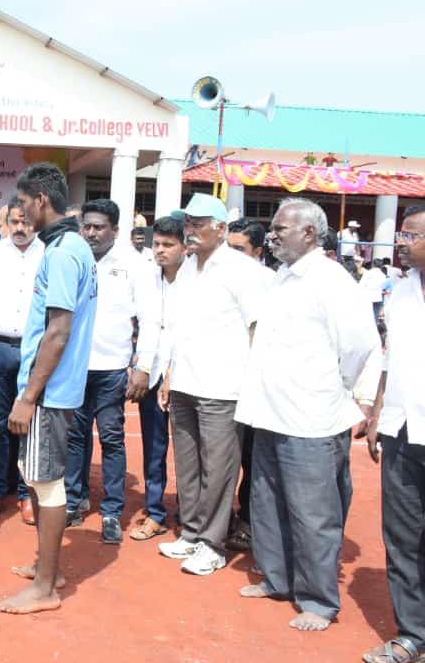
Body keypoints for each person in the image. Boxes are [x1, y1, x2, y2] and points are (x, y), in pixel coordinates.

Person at [236, 198, 380, 632]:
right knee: (267, 501)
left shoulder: (331, 281)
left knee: (313, 513)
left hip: (311, 417)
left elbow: (359, 346)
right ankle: (278, 579)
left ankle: (318, 600)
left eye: (280, 228)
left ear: (310, 233)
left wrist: (342, 390)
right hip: (269, 411)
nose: (272, 235)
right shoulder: (282, 276)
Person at [0, 162, 97, 614]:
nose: (19, 212)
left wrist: (28, 396)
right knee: (39, 479)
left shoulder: (63, 253)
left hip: (49, 391)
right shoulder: (70, 247)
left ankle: (46, 587)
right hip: (55, 387)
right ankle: (46, 569)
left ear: (40, 200)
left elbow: (58, 331)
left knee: (46, 483)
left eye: (22, 203)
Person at [157, 193, 266, 576]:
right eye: (187, 222)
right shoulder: (188, 267)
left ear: (221, 228)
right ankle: (191, 533)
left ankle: (212, 544)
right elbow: (177, 328)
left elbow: (257, 329)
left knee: (218, 470)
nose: (190, 230)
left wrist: (253, 384)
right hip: (185, 382)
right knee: (188, 465)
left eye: (198, 223)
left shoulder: (241, 270)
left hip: (223, 388)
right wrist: (169, 375)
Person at [66, 199, 157, 544]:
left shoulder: (135, 266)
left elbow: (150, 319)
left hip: (113, 370)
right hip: (75, 368)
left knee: (111, 439)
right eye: (86, 226)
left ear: (115, 231)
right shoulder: (73, 259)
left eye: (99, 227)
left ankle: (111, 511)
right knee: (75, 438)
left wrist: (142, 366)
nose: (90, 233)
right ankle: (73, 502)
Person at [361, 205, 425, 662]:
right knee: (403, 537)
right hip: (402, 430)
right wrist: (377, 413)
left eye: (412, 236)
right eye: (400, 235)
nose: (401, 244)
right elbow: (390, 358)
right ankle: (414, 636)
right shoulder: (399, 292)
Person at [0, 196, 44, 524]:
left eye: (26, 222)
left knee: (29, 422)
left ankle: (27, 494)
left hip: (33, 349)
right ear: (6, 222)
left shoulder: (47, 254)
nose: (20, 228)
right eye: (14, 221)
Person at [130, 216, 186, 542]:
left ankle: (189, 515)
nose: (160, 250)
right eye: (156, 244)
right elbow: (148, 324)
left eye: (168, 245)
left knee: (188, 452)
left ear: (184, 247)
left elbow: (189, 333)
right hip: (151, 376)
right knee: (154, 449)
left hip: (187, 379)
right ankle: (155, 513)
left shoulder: (196, 281)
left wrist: (171, 375)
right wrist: (142, 368)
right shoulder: (147, 278)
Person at [225, 217, 275, 553]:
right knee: (221, 457)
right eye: (228, 248)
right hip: (222, 384)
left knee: (253, 459)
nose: (232, 255)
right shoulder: (216, 277)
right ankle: (218, 517)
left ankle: (248, 522)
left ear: (258, 251)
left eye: (240, 249)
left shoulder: (270, 282)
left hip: (257, 387)